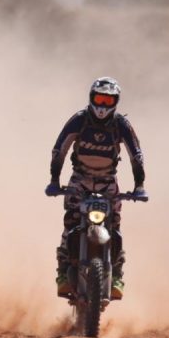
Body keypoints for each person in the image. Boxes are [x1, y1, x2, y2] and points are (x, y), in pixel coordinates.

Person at [45, 77, 147, 300]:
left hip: (108, 182)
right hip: (79, 180)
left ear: (116, 102)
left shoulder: (121, 125)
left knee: (115, 225)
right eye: (99, 98)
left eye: (108, 100)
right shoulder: (79, 121)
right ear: (91, 98)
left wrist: (139, 186)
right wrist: (54, 180)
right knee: (70, 222)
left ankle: (117, 275)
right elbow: (59, 150)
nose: (103, 105)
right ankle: (63, 274)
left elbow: (136, 155)